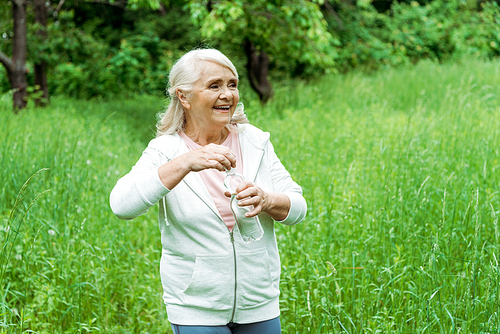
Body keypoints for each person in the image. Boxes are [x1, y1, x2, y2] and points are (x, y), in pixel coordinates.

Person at [109, 48, 307, 333]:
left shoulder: (255, 141)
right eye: (214, 86)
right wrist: (186, 162)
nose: (227, 94)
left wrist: (267, 199)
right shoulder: (167, 151)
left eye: (232, 84)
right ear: (184, 96)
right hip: (196, 308)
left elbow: (298, 207)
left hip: (259, 302)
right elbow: (121, 205)